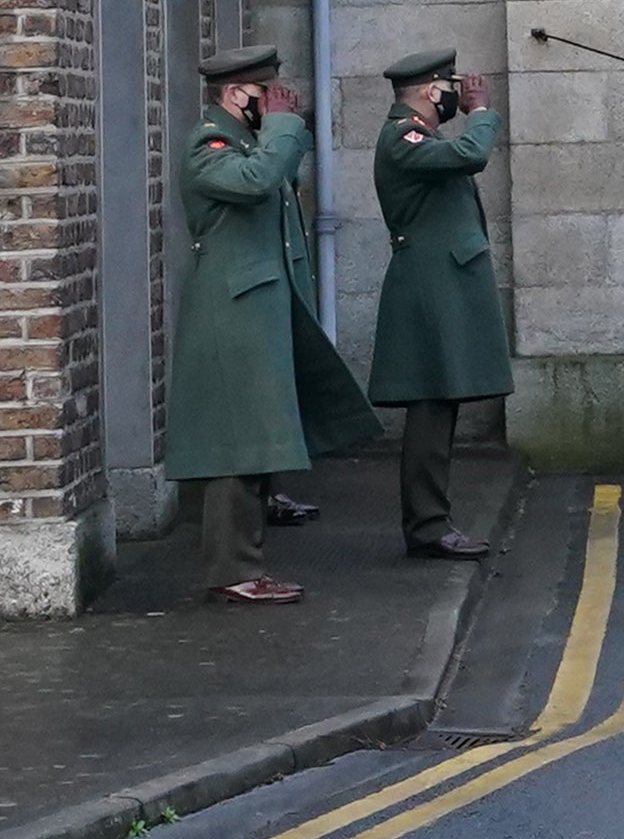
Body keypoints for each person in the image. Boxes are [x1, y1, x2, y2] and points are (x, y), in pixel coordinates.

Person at [172, 43, 377, 603]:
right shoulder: (209, 145)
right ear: (237, 95)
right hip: (232, 309)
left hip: (258, 305)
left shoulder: (246, 140)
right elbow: (257, 181)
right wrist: (284, 128)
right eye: (266, 94)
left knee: (258, 440)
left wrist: (281, 127)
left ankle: (243, 563)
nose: (278, 103)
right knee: (239, 443)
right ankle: (232, 570)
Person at [367, 48, 507, 563]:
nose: (455, 95)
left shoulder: (419, 136)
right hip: (428, 290)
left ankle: (433, 520)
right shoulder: (402, 137)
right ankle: (427, 525)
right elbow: (470, 155)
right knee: (430, 406)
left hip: (440, 285)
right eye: (449, 87)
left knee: (439, 404)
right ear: (431, 91)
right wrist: (483, 112)